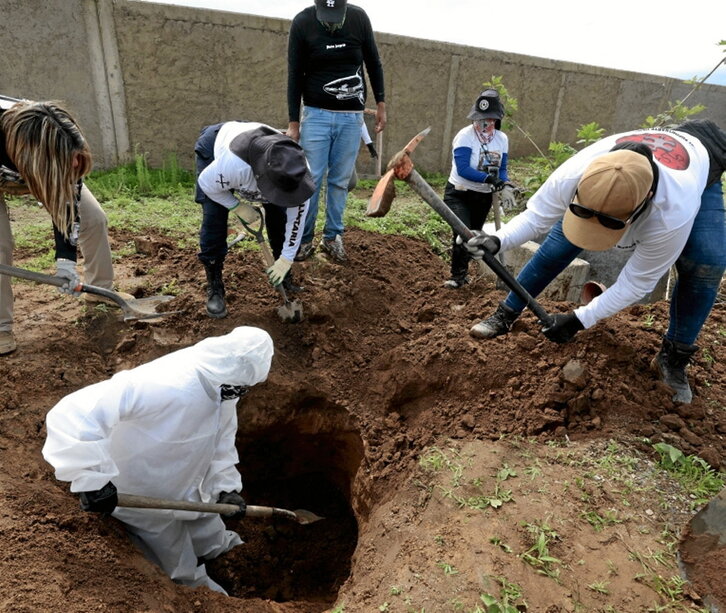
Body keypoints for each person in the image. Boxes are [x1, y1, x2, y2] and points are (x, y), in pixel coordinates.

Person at [466, 120, 726, 404]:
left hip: (701, 162)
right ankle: (506, 313)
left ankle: (673, 358)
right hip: (645, 156)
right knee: (557, 246)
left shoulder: (672, 210)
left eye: (608, 222)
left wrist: (580, 319)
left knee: (707, 262)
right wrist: (497, 240)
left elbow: (637, 283)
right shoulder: (577, 172)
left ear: (646, 202)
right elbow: (536, 216)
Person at [42, 326, 274, 595]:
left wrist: (226, 487)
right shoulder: (165, 383)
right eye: (241, 389)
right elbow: (76, 412)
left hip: (188, 483)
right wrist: (91, 478)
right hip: (141, 491)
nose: (240, 394)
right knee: (173, 554)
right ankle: (202, 594)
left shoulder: (223, 386)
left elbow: (220, 438)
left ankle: (224, 554)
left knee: (207, 525)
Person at [0, 95, 130, 356]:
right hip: (8, 167)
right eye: (68, 157)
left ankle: (100, 291)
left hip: (40, 168)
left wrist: (66, 261)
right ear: (40, 154)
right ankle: (1, 326)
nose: (75, 163)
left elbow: (68, 202)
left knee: (94, 219)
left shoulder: (49, 128)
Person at [287, 0, 386, 263]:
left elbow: (373, 63)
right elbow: (295, 73)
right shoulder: (302, 22)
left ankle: (332, 237)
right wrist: (293, 122)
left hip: (351, 118)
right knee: (311, 180)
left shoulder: (358, 18)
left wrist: (381, 104)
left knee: (340, 181)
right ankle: (305, 239)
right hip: (316, 116)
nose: (331, 21)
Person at [194, 121, 314, 318]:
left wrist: (286, 258)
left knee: (279, 216)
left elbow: (296, 220)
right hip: (217, 144)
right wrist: (236, 206)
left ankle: (284, 276)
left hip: (264, 154)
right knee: (214, 217)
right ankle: (214, 285)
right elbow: (207, 184)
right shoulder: (234, 166)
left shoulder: (298, 173)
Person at [443, 89, 514, 289]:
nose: (485, 123)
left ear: (496, 119)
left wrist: (504, 183)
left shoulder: (502, 139)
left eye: (489, 119)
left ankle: (465, 273)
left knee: (475, 236)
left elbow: (502, 168)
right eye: (481, 119)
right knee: (463, 233)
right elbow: (463, 168)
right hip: (460, 193)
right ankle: (457, 277)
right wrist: (488, 178)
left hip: (483, 197)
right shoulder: (465, 137)